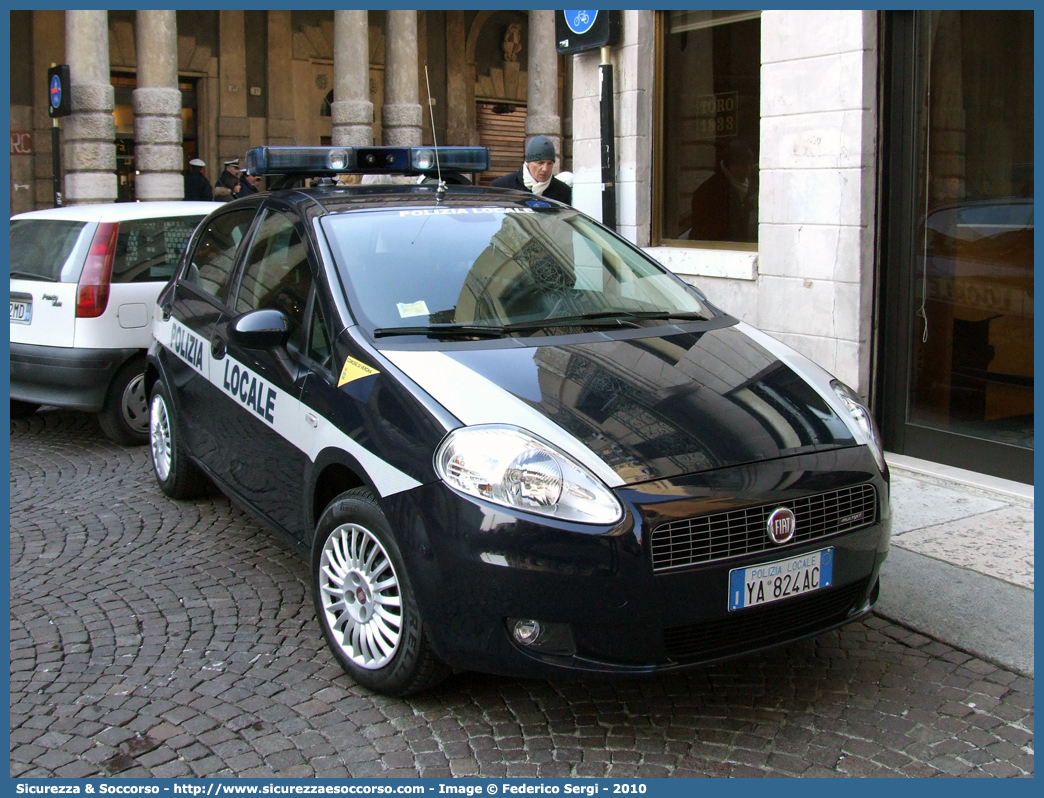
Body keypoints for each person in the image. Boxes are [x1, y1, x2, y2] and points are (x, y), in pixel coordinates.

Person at [687, 139, 757, 242]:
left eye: (749, 165)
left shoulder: (745, 186)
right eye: (743, 166)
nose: (747, 171)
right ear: (730, 166)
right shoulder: (709, 193)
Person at [491, 135, 571, 205]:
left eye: (550, 163)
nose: (545, 169)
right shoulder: (502, 187)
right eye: (540, 163)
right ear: (527, 163)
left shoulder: (563, 191)